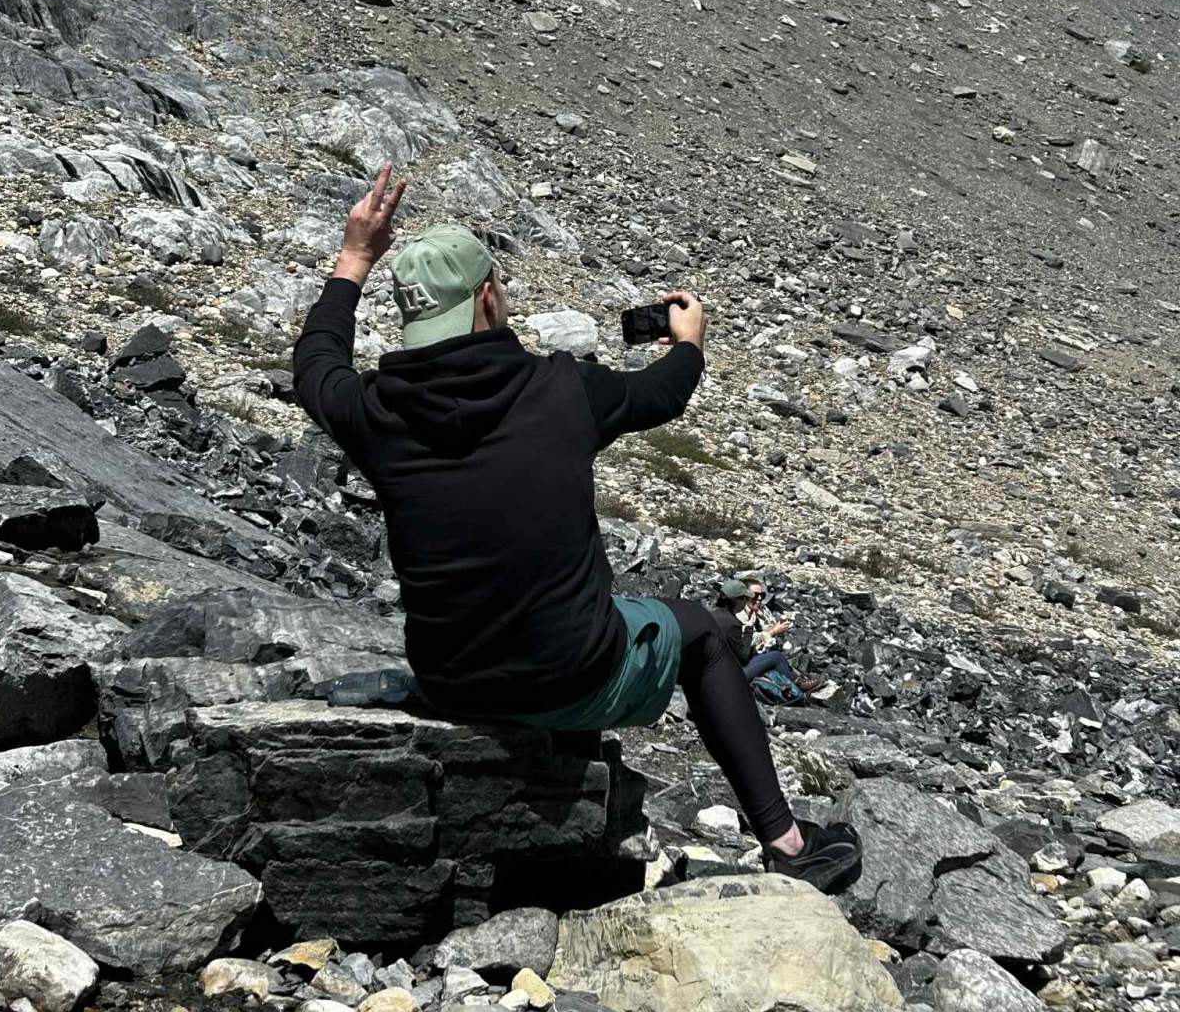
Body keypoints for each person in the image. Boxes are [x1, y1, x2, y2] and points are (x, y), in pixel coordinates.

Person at [292, 165, 857, 888]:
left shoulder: (374, 413)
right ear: (489, 296)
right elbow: (663, 393)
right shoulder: (561, 389)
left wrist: (353, 259)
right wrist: (687, 341)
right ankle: (788, 844)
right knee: (706, 635)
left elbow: (315, 364)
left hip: (452, 681)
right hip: (571, 674)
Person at [715, 580, 826, 702]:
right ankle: (797, 693)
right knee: (775, 657)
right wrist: (749, 629)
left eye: (761, 596)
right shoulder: (733, 622)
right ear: (735, 600)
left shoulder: (715, 614)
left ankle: (797, 681)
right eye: (744, 598)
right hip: (730, 675)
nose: (749, 600)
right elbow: (743, 656)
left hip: (718, 670)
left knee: (768, 655)